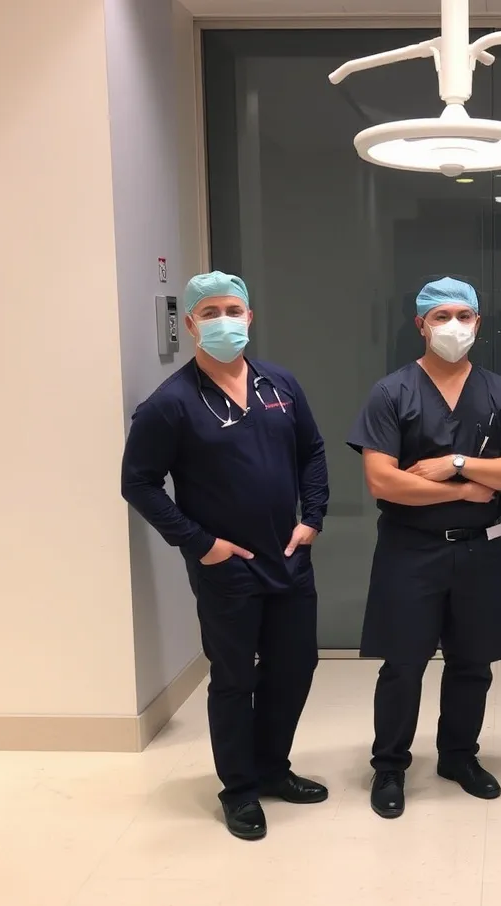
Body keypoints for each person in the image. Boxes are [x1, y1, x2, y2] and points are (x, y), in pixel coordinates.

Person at [121, 271, 329, 841]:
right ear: (190, 324)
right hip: (227, 568)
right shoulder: (169, 404)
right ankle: (239, 789)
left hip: (289, 557)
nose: (223, 321)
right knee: (235, 678)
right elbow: (137, 483)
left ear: (250, 317)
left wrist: (312, 517)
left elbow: (312, 451)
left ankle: (273, 767)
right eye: (209, 312)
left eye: (232, 310)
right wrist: (201, 544)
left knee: (294, 667)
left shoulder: (279, 384)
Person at [348, 277, 501, 819]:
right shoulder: (392, 392)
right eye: (441, 317)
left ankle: (459, 757)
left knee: (473, 662)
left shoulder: (499, 392)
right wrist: (465, 489)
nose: (453, 326)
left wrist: (455, 464)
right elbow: (383, 481)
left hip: (483, 551)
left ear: (478, 323)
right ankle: (389, 766)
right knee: (403, 663)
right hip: (411, 550)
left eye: (463, 316)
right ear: (421, 325)